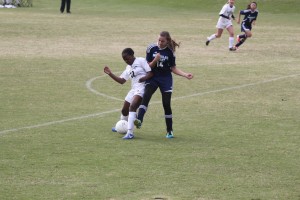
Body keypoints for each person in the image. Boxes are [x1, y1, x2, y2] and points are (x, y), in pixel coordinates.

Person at [134, 31, 193, 139]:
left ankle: (169, 131)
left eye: (162, 41)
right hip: (153, 77)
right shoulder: (151, 48)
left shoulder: (170, 52)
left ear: (167, 41)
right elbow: (147, 66)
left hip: (165, 79)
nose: (160, 43)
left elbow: (173, 68)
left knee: (166, 104)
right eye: (159, 40)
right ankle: (139, 120)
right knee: (146, 96)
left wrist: (185, 74)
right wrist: (155, 60)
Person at [104, 48, 153, 139]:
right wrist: (110, 73)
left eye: (128, 58)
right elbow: (122, 81)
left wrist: (144, 78)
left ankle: (130, 132)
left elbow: (151, 73)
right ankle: (122, 125)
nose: (127, 61)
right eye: (124, 59)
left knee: (133, 106)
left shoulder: (141, 61)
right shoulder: (128, 68)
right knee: (124, 110)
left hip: (142, 88)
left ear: (132, 55)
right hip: (134, 89)